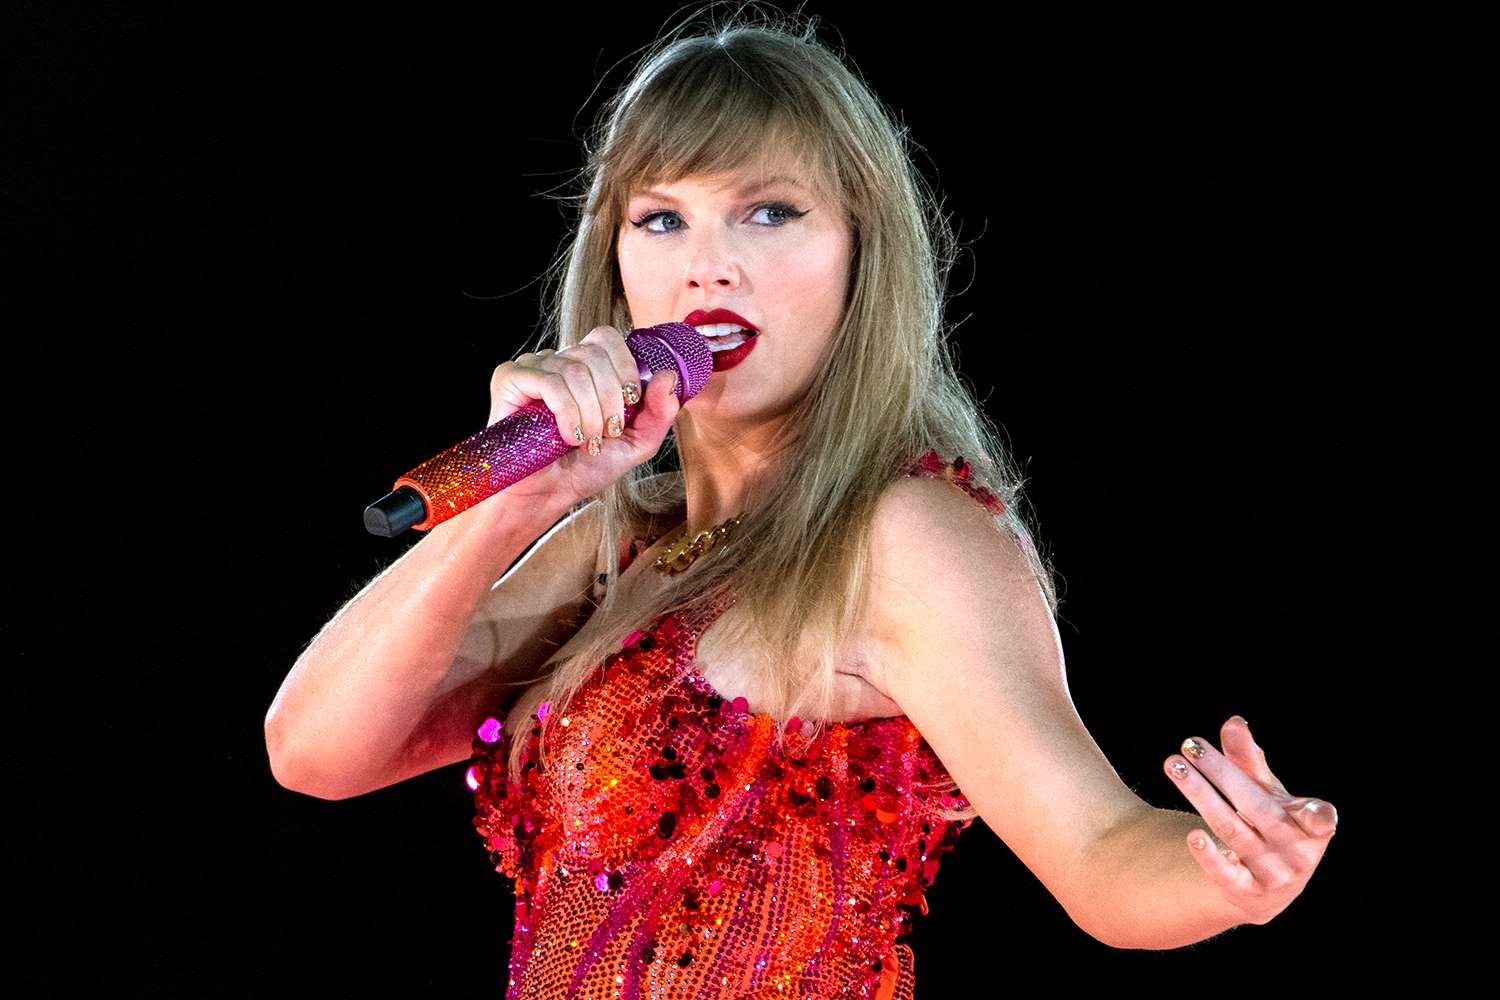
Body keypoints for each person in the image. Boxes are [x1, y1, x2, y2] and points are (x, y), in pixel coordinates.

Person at [265, 8, 1339, 997]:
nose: (708, 269)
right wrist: (513, 504)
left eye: (770, 213)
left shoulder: (900, 534)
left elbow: (1100, 851)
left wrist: (1233, 873)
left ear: (861, 250)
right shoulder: (617, 543)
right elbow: (312, 753)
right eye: (661, 219)